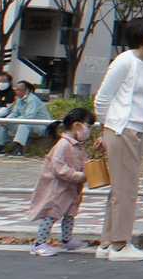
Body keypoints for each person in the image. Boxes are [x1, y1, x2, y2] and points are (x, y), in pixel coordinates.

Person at [93, 16, 143, 262]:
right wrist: (106, 127)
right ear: (142, 35)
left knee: (120, 189)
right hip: (122, 129)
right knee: (126, 189)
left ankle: (107, 243)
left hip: (134, 129)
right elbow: (103, 98)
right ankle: (120, 245)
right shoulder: (125, 61)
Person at [26, 109, 97, 256]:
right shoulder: (63, 144)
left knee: (70, 213)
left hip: (70, 188)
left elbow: (84, 161)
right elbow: (59, 168)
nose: (89, 131)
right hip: (57, 189)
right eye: (88, 126)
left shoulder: (77, 145)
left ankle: (67, 239)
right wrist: (79, 176)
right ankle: (39, 244)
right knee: (51, 214)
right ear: (77, 125)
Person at [0, 80, 50, 155]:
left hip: (40, 126)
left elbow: (29, 117)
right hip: (26, 124)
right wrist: (6, 120)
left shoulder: (32, 100)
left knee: (23, 125)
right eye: (16, 89)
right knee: (3, 124)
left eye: (19, 90)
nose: (16, 92)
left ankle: (18, 148)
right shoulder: (19, 99)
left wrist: (13, 120)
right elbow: (14, 113)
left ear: (26, 91)